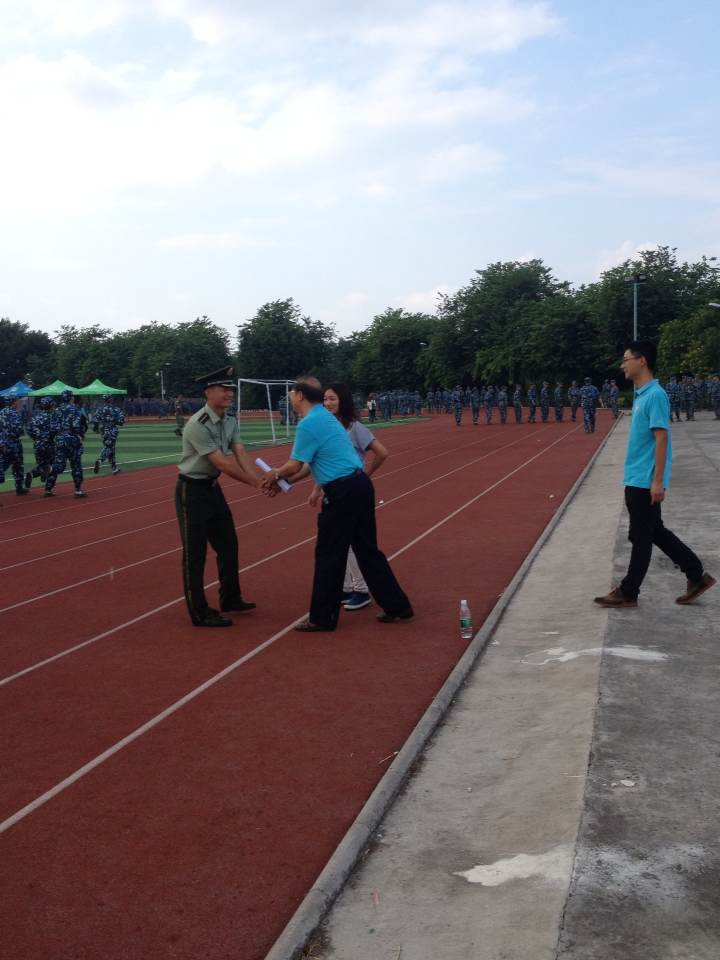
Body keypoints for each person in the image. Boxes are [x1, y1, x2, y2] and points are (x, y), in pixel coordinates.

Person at [262, 376, 412, 632]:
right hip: (359, 486)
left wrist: (275, 474)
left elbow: (294, 465)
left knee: (329, 555)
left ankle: (322, 617)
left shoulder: (309, 423)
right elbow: (308, 466)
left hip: (342, 493)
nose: (289, 399)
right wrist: (283, 479)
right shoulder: (325, 417)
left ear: (300, 395)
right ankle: (397, 606)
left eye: (291, 394)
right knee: (367, 551)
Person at [594, 341, 715, 608]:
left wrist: (657, 481)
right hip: (636, 475)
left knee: (641, 536)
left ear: (642, 360)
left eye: (626, 359)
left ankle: (629, 591)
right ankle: (696, 575)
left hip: (644, 479)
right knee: (654, 531)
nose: (622, 365)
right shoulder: (642, 395)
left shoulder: (656, 395)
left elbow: (662, 438)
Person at [176, 366, 270, 628]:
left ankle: (230, 597)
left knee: (228, 544)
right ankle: (199, 611)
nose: (230, 394)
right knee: (194, 553)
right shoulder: (198, 424)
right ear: (208, 392)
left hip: (212, 488)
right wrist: (257, 483)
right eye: (224, 389)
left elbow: (240, 453)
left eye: (231, 390)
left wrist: (260, 479)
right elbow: (223, 463)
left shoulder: (230, 420)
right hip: (191, 491)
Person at [306, 383, 389, 611]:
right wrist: (316, 489)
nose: (327, 403)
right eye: (325, 399)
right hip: (333, 489)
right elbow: (326, 462)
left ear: (343, 400)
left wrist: (366, 474)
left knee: (351, 542)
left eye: (332, 398)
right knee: (335, 543)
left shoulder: (355, 428)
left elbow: (382, 452)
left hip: (351, 489)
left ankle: (361, 590)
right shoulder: (328, 428)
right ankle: (343, 587)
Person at [44, 390, 87, 498]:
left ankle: (49, 486)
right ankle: (78, 490)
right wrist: (81, 435)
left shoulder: (57, 410)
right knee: (76, 465)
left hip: (59, 438)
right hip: (72, 439)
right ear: (71, 397)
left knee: (59, 464)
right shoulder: (75, 409)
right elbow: (77, 426)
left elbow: (52, 427)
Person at [0, 396, 29, 495]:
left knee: (13, 465)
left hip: (4, 442)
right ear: (13, 402)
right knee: (15, 465)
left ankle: (20, 488)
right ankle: (19, 487)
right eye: (17, 401)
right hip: (12, 442)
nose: (18, 403)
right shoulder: (13, 413)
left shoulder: (1, 412)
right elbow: (18, 429)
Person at [26, 397, 56, 487]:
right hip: (49, 444)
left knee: (42, 464)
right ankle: (48, 488)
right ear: (50, 405)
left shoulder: (36, 417)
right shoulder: (53, 417)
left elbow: (29, 429)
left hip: (38, 444)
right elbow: (56, 430)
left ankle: (32, 474)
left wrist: (36, 438)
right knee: (52, 465)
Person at [92, 395, 125, 475]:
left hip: (103, 430)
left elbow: (95, 421)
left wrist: (96, 429)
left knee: (110, 448)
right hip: (112, 429)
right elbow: (121, 422)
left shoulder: (100, 409)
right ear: (111, 400)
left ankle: (114, 468)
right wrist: (114, 421)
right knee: (109, 447)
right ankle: (99, 461)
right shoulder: (116, 409)